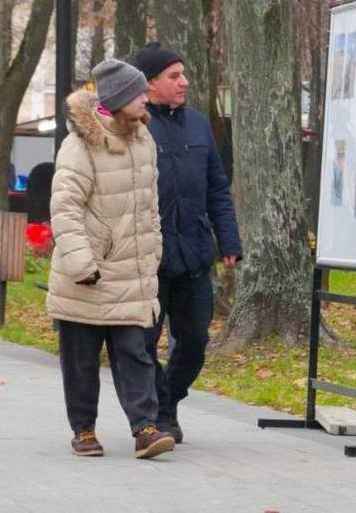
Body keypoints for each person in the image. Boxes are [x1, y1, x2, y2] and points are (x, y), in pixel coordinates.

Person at [46, 58, 175, 461]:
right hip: (89, 274)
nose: (146, 98)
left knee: (137, 353)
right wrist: (82, 264)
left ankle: (146, 429)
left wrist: (152, 254)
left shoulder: (144, 141)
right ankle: (83, 431)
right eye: (139, 93)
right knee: (81, 359)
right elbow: (65, 207)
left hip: (131, 272)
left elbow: (149, 208)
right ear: (118, 98)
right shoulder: (80, 144)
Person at [132, 42, 243, 444]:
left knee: (195, 340)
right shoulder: (135, 125)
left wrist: (228, 239)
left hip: (195, 253)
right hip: (148, 258)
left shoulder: (198, 124)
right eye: (174, 76)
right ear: (149, 84)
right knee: (141, 344)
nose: (185, 82)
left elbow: (217, 186)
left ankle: (169, 400)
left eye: (184, 74)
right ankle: (159, 414)